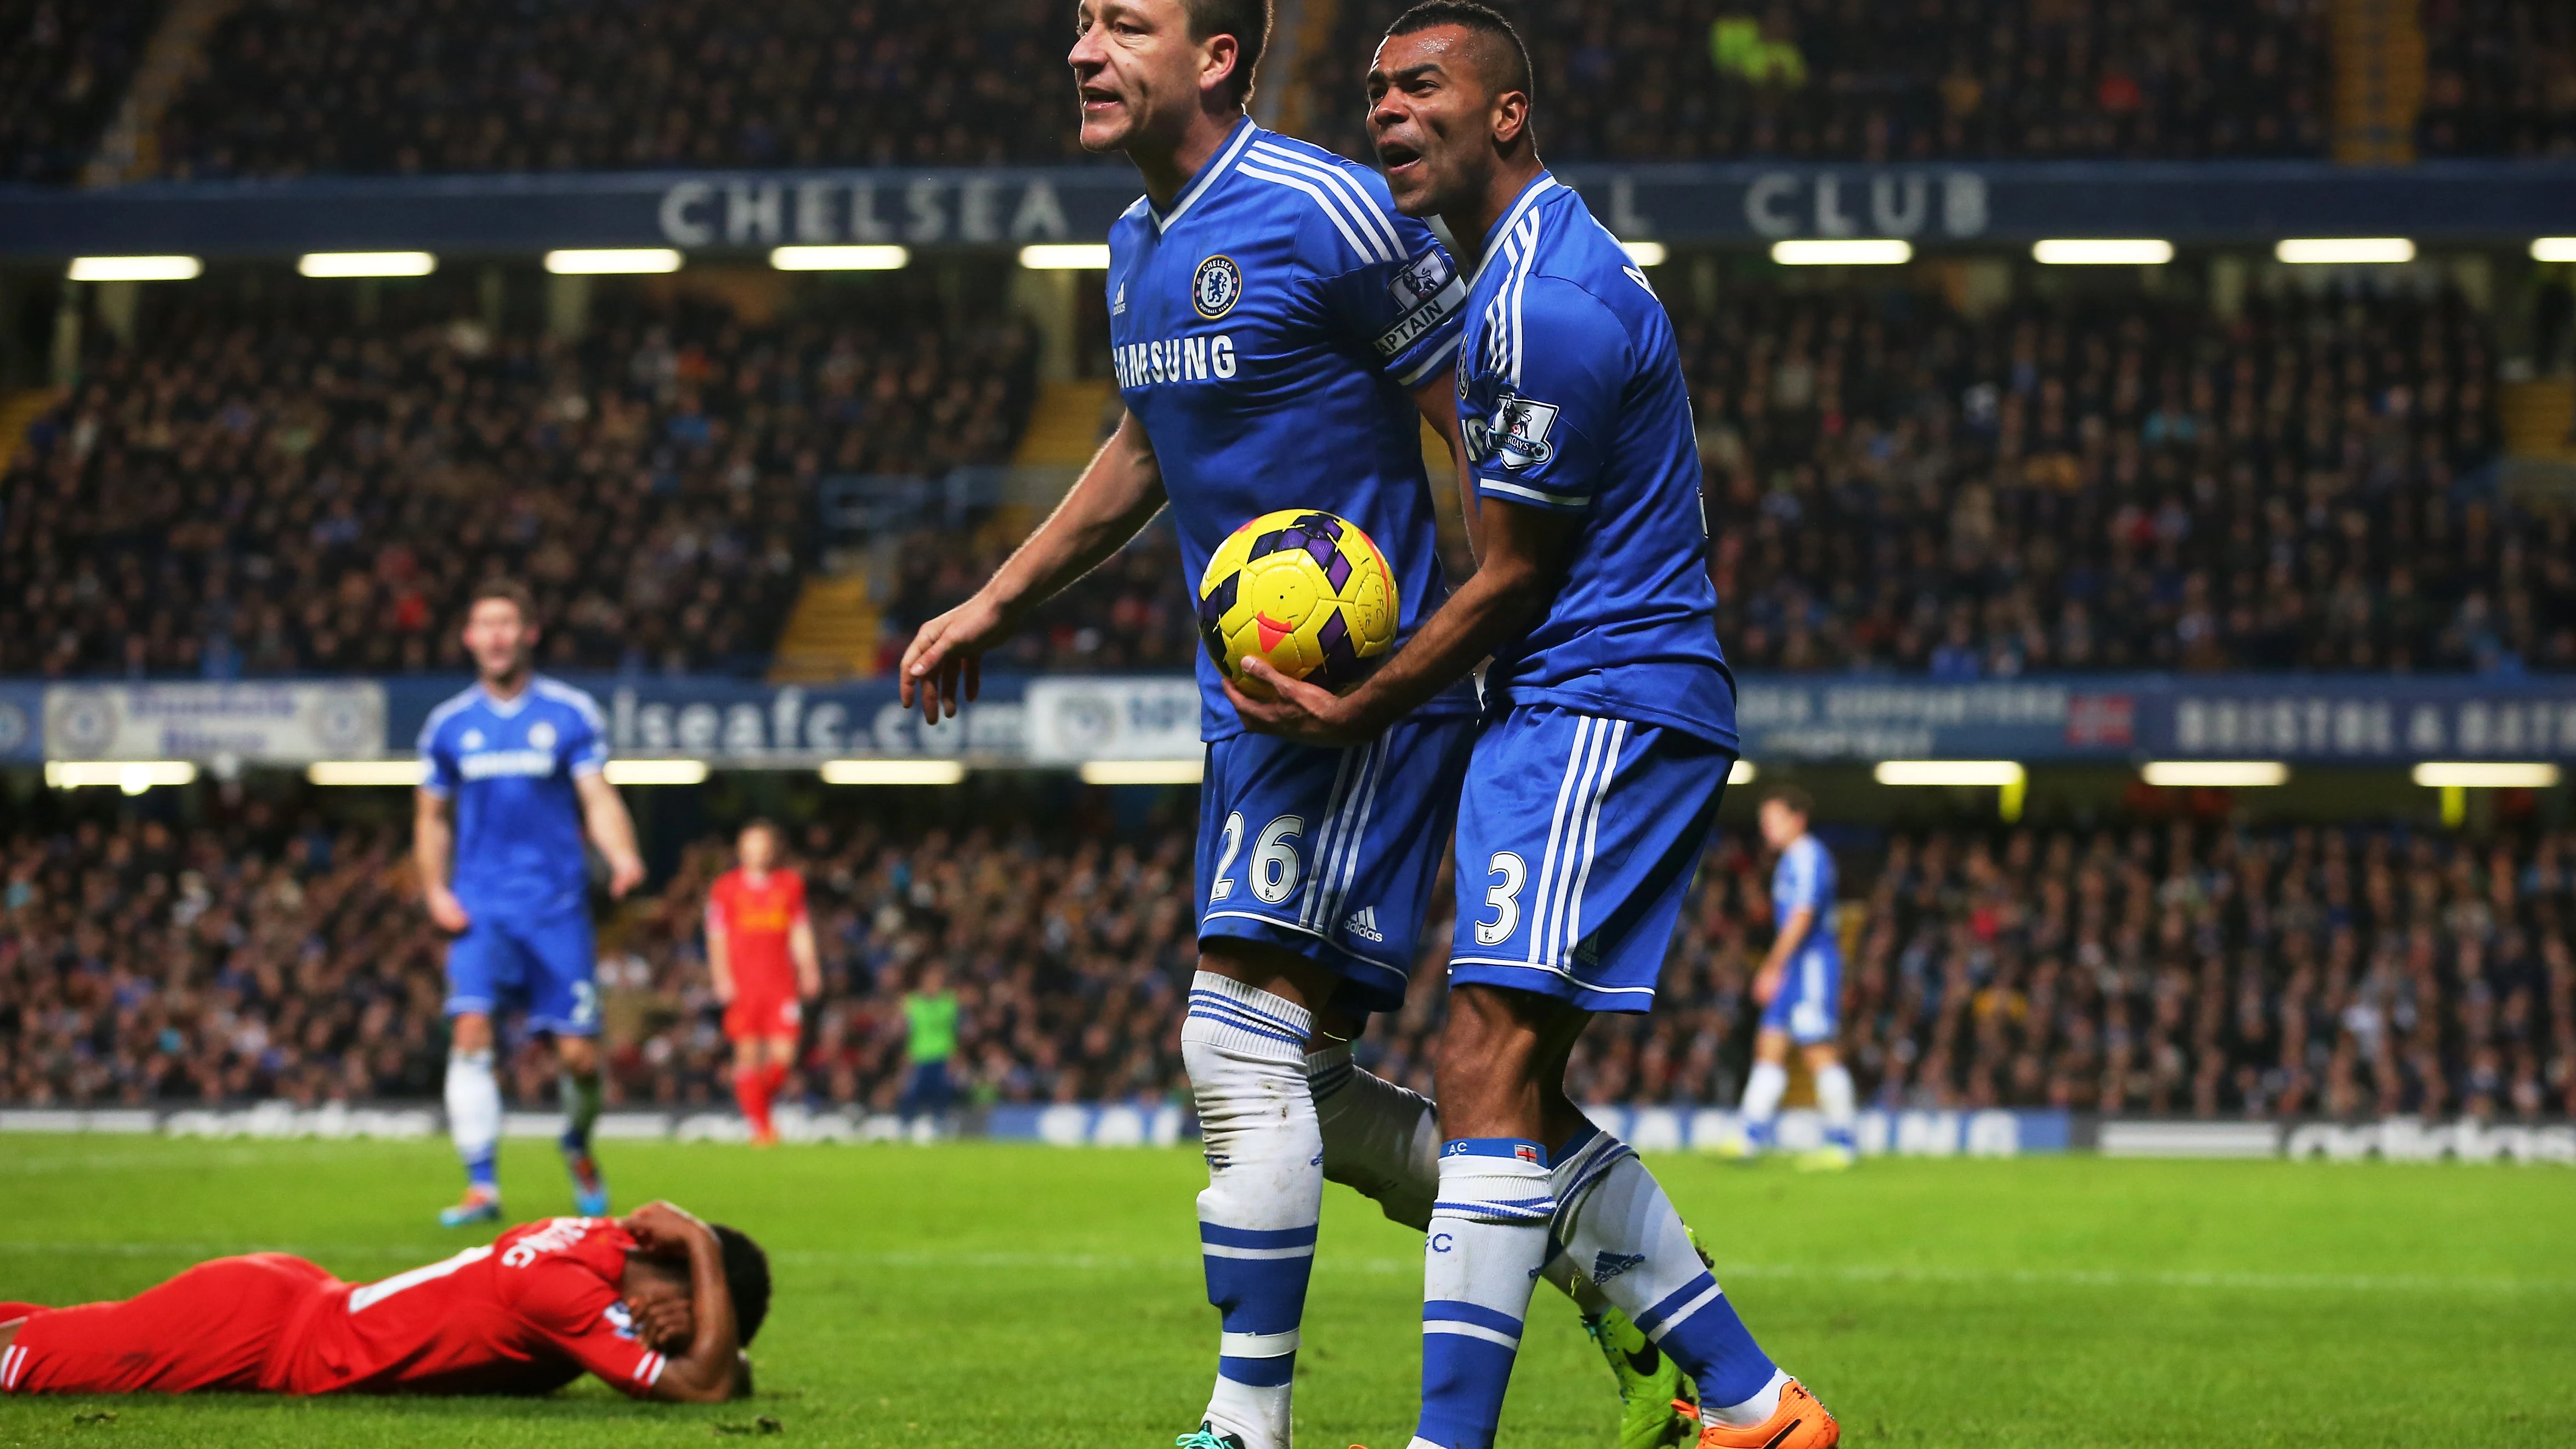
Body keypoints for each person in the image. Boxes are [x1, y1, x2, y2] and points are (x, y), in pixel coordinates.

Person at [1225, 5, 1841, 1448]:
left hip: (1596, 701)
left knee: (1484, 1066)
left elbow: (1512, 575)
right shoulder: (1501, 277)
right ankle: (1752, 1401)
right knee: (1504, 1076)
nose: (1386, 111)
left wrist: (1355, 697)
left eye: (1421, 87)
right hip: (1571, 705)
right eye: (1374, 90)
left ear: (1506, 114)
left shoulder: (1544, 300)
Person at [0, 1201, 765, 1402]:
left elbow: (716, 1368)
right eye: (693, 1312)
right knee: (27, 1360)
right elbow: (706, 1383)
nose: (676, 1334)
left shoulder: (597, 1248)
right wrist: (701, 1244)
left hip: (290, 1300)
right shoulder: (561, 1286)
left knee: (57, 1330)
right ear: (673, 1259)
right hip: (264, 1335)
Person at [416, 579, 645, 1228]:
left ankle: (576, 1144)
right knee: (469, 1030)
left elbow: (597, 796)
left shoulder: (570, 713)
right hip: (481, 907)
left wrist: (622, 855)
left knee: (578, 1057)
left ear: (528, 634)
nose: (494, 636)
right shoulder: (449, 724)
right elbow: (430, 817)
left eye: (505, 624)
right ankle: (482, 1184)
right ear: (468, 639)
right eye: (482, 625)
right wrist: (435, 889)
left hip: (556, 908)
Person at [1729, 788, 1857, 1170]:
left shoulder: (1807, 856)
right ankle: (1749, 1135)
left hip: (1811, 965)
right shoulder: (1791, 859)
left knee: (1817, 1049)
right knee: (1769, 1043)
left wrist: (1772, 966)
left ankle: (1842, 1141)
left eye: (1773, 819)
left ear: (1797, 819)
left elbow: (1802, 917)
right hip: (1795, 966)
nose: (1766, 827)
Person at [706, 820, 822, 1146]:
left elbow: (800, 929)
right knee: (747, 1054)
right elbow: (717, 936)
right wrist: (722, 976)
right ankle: (762, 1128)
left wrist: (810, 968)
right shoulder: (726, 888)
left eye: (763, 843)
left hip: (780, 982)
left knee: (784, 1057)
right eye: (751, 843)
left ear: (773, 849)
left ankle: (759, 1108)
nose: (758, 850)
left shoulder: (790, 884)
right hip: (744, 984)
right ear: (742, 849)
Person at [899, 963, 962, 1134]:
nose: (933, 985)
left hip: (942, 1055)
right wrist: (906, 1056)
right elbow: (906, 1031)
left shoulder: (950, 1002)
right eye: (930, 981)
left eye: (937, 981)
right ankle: (906, 1126)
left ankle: (939, 1127)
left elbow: (954, 1032)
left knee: (942, 1093)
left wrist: (954, 1056)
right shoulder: (912, 1003)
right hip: (919, 1056)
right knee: (911, 1094)